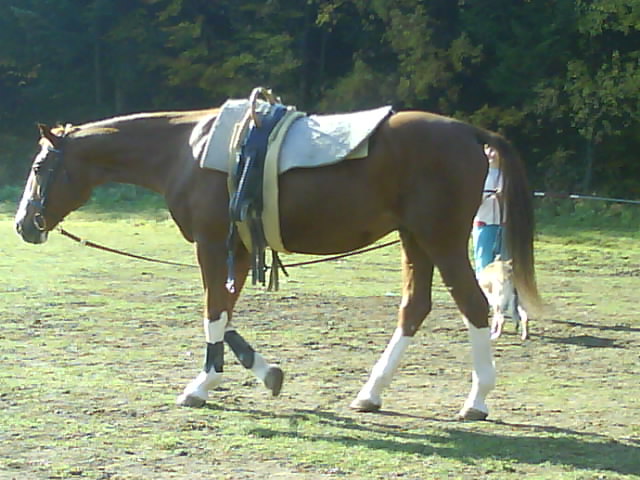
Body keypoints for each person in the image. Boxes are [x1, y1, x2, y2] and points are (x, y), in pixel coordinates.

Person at [472, 144, 504, 274]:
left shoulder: (506, 175)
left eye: (494, 150)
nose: (491, 154)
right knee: (483, 262)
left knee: (503, 264)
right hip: (484, 223)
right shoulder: (477, 174)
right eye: (488, 149)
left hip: (503, 225)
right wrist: (490, 196)